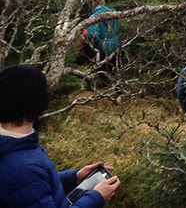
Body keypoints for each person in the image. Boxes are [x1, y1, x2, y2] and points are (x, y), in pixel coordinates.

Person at [0, 64, 121, 207]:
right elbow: (27, 181)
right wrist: (96, 197)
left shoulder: (17, 145)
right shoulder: (23, 167)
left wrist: (73, 177)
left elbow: (33, 187)